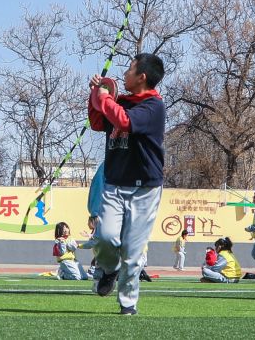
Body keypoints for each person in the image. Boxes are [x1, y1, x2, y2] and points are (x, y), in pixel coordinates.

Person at [88, 52, 167, 316]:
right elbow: (98, 121)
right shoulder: (120, 100)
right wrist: (96, 95)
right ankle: (109, 270)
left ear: (141, 77)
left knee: (133, 252)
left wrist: (105, 98)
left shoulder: (154, 106)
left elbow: (124, 121)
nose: (125, 74)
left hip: (145, 188)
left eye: (130, 69)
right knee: (105, 237)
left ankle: (128, 304)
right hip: (114, 183)